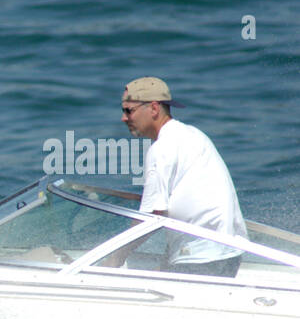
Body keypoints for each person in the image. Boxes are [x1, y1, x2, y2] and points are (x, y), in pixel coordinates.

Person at [105, 77, 247, 276]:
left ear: (154, 109)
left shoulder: (161, 148)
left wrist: (115, 258)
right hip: (229, 253)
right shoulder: (193, 135)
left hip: (201, 259)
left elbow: (152, 216)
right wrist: (165, 265)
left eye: (129, 110)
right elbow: (186, 208)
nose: (124, 118)